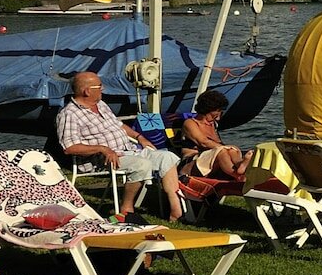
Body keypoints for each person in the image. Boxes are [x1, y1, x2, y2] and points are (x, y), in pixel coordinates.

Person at [55, 71, 184, 221]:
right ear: (87, 91)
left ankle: (176, 209)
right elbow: (69, 147)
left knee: (167, 157)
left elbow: (119, 125)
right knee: (142, 165)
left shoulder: (101, 105)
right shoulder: (69, 114)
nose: (103, 89)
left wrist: (139, 137)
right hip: (101, 159)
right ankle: (127, 208)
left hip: (129, 150)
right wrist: (102, 149)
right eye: (99, 86)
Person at [180, 89, 248, 184]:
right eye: (218, 111)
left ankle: (241, 165)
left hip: (212, 160)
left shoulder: (213, 124)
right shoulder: (190, 123)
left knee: (232, 150)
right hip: (192, 163)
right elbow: (203, 142)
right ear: (208, 109)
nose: (219, 115)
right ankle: (238, 176)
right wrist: (225, 148)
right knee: (222, 151)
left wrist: (230, 149)